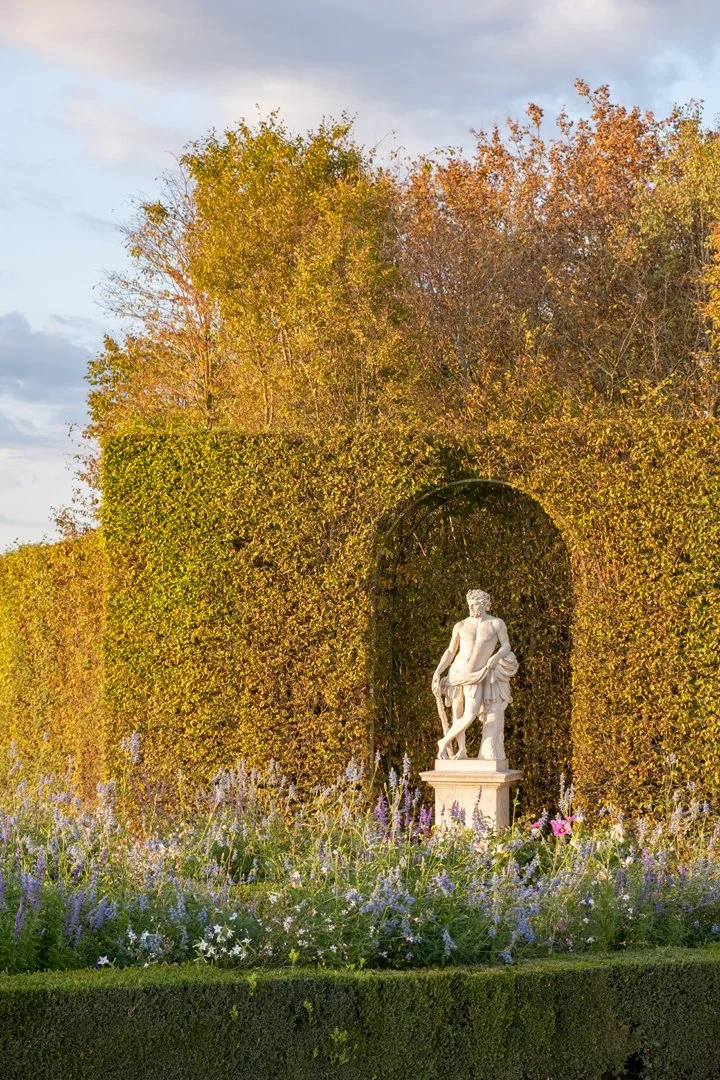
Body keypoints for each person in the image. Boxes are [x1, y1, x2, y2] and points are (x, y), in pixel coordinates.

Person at [432, 588, 518, 761]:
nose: (471, 608)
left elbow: (506, 645)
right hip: (456, 672)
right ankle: (461, 750)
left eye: (475, 605)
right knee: (457, 713)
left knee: (470, 714)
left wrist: (496, 656)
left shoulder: (496, 623)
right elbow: (450, 651)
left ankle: (443, 742)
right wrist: (437, 672)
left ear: (485, 605)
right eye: (470, 605)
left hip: (476, 674)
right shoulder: (461, 625)